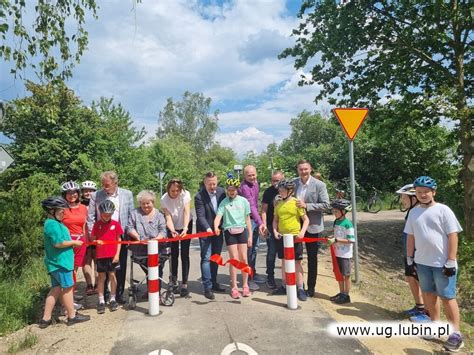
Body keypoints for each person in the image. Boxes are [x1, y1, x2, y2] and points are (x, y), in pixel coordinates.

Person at [405, 176, 464, 352]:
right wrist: (409, 259)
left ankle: (456, 334)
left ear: (433, 192)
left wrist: (451, 260)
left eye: (426, 192)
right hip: (422, 262)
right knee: (429, 294)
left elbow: (453, 235)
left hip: (442, 264)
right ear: (415, 193)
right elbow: (411, 236)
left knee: (447, 297)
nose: (423, 195)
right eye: (419, 192)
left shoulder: (443, 210)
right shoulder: (414, 213)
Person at [38, 197, 90, 328]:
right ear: (51, 211)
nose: (63, 213)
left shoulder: (55, 223)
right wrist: (74, 243)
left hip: (56, 263)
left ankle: (46, 319)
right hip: (61, 263)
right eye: (61, 211)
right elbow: (58, 243)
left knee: (55, 289)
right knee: (67, 289)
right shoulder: (52, 225)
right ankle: (72, 316)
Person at [87, 171, 134, 304]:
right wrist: (92, 236)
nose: (104, 187)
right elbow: (91, 217)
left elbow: (130, 216)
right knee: (103, 268)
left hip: (120, 236)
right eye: (102, 184)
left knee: (120, 266)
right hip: (102, 237)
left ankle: (118, 294)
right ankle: (105, 294)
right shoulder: (96, 195)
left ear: (115, 183)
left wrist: (130, 234)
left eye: (107, 185)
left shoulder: (127, 194)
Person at [293, 159, 330, 297]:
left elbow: (326, 205)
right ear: (297, 170)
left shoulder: (319, 185)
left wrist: (307, 205)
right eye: (301, 169)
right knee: (296, 257)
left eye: (306, 169)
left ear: (310, 169)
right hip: (296, 226)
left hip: (313, 226)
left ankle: (311, 288)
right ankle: (298, 286)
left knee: (312, 258)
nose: (303, 172)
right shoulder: (294, 182)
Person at [214, 176, 253, 299]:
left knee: (244, 259)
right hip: (229, 231)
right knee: (234, 259)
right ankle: (234, 287)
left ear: (237, 189)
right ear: (227, 190)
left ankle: (245, 285)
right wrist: (216, 226)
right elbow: (218, 216)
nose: (231, 192)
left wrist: (250, 235)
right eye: (229, 190)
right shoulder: (224, 202)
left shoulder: (243, 201)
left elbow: (247, 219)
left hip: (242, 230)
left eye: (233, 190)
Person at [271, 180, 309, 301]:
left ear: (290, 191)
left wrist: (302, 232)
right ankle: (284, 285)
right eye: (280, 191)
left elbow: (306, 220)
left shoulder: (296, 203)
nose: (280, 193)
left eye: (282, 191)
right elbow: (275, 220)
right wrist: (275, 231)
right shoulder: (278, 204)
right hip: (282, 237)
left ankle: (300, 288)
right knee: (283, 261)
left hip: (295, 237)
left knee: (297, 262)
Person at [127, 190, 167, 291]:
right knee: (148, 269)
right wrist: (138, 237)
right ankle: (152, 289)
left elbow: (163, 231)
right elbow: (129, 227)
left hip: (158, 248)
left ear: (153, 202)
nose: (145, 206)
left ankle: (155, 292)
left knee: (157, 269)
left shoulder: (159, 214)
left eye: (148, 203)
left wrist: (155, 240)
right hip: (141, 248)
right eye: (143, 203)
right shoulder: (134, 213)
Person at [195, 172, 226, 300]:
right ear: (205, 182)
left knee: (215, 257)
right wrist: (208, 228)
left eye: (214, 183)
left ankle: (214, 282)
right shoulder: (199, 196)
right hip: (205, 231)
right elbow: (200, 216)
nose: (212, 186)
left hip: (218, 231)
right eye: (209, 184)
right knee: (206, 258)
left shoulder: (221, 192)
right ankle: (207, 287)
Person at [395, 184, 425, 319]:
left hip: (419, 254)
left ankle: (427, 311)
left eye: (404, 197)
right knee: (411, 278)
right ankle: (419, 306)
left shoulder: (421, 212)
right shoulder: (411, 212)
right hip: (409, 253)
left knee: (421, 281)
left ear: (414, 198)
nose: (402, 200)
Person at [161, 179, 193, 297]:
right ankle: (174, 280)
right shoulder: (164, 199)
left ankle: (184, 283)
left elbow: (186, 212)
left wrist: (185, 228)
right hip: (172, 225)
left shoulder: (185, 195)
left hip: (186, 223)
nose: (175, 193)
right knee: (173, 254)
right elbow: (168, 217)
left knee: (185, 254)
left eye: (177, 191)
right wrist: (172, 230)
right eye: (172, 191)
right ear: (168, 189)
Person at [91, 200, 123, 314]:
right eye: (105, 214)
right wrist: (96, 241)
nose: (107, 216)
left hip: (112, 255)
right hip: (101, 255)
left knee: (113, 275)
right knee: (101, 277)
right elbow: (92, 239)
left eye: (109, 214)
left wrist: (117, 254)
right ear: (100, 213)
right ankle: (101, 300)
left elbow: (119, 240)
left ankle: (113, 298)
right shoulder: (97, 224)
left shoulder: (116, 224)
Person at [238, 165, 267, 290]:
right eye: (249, 175)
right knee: (248, 250)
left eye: (254, 174)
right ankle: (248, 279)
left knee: (254, 248)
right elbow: (251, 206)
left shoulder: (256, 184)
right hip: (247, 221)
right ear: (245, 176)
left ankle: (253, 273)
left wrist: (259, 220)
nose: (252, 177)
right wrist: (260, 222)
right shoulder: (244, 187)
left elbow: (256, 203)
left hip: (254, 219)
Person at [61, 181, 89, 305]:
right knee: (69, 269)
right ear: (64, 195)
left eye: (74, 193)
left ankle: (72, 293)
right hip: (68, 242)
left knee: (75, 269)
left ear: (78, 193)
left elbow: (84, 225)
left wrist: (86, 241)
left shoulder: (83, 208)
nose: (72, 195)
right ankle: (68, 299)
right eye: (68, 193)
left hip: (80, 241)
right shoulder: (62, 209)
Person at [327, 199, 355, 304]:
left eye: (336, 211)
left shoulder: (348, 224)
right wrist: (331, 237)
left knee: (346, 275)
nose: (334, 213)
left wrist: (337, 240)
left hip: (345, 254)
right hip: (336, 252)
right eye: (333, 211)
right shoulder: (336, 221)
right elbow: (336, 235)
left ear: (343, 211)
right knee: (339, 274)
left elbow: (351, 240)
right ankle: (341, 292)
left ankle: (346, 295)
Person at [260, 170, 284, 289]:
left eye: (277, 181)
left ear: (282, 179)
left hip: (285, 226)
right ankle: (270, 277)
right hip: (270, 225)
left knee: (287, 253)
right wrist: (264, 226)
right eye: (273, 180)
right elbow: (263, 210)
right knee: (271, 252)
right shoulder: (268, 192)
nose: (275, 183)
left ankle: (289, 279)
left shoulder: (288, 190)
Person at [80, 180, 98, 295]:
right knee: (86, 262)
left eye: (91, 191)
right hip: (84, 237)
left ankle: (97, 284)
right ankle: (89, 285)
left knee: (97, 261)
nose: (88, 193)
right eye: (86, 191)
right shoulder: (79, 205)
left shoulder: (98, 203)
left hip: (96, 235)